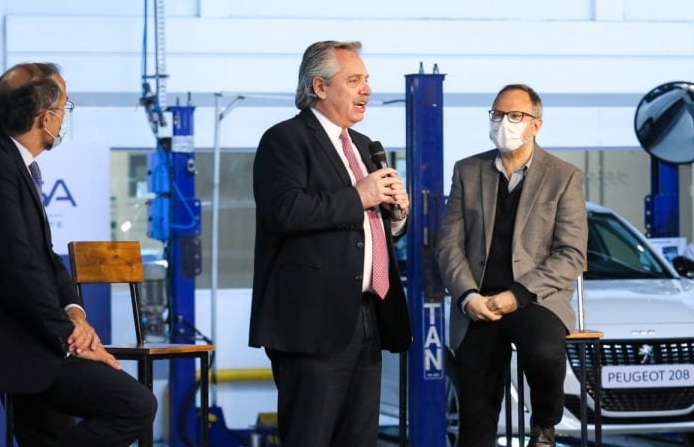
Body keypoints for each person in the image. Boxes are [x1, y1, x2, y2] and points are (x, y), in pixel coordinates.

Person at [0, 63, 157, 446]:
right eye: (65, 108)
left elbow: (44, 258)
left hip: (27, 333)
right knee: (134, 404)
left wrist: (74, 313)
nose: (65, 118)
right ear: (46, 118)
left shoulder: (10, 162)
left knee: (51, 435)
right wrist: (71, 337)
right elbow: (17, 267)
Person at [249, 40, 412, 446]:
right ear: (319, 88)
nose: (367, 90)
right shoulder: (284, 140)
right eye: (354, 80)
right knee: (311, 437)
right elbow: (285, 211)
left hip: (367, 316)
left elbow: (364, 225)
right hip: (311, 322)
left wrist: (396, 216)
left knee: (358, 440)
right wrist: (361, 196)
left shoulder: (362, 145)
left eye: (367, 80)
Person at [437, 84, 587, 447]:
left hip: (534, 297)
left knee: (544, 352)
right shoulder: (468, 171)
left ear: (536, 124)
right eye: (498, 115)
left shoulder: (563, 177)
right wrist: (467, 295)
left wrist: (518, 294)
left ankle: (545, 426)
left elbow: (572, 254)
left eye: (515, 116)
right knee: (476, 408)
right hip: (478, 303)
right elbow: (448, 244)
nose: (504, 123)